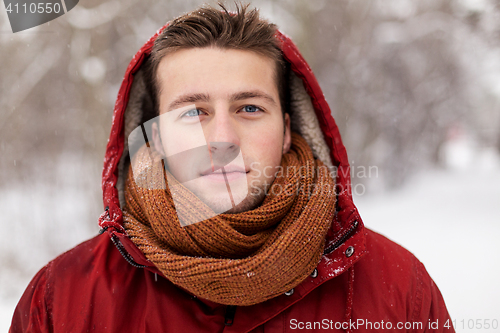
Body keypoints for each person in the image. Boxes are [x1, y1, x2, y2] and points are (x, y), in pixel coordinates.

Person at [10, 3, 454, 332]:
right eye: (193, 112)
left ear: (286, 129)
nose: (222, 137)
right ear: (157, 137)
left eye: (248, 108)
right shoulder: (61, 300)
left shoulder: (398, 289)